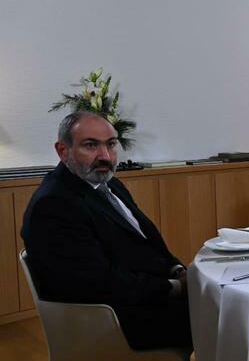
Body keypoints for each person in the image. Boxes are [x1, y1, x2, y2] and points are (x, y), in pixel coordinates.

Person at [21, 111, 192, 351]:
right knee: (220, 313)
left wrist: (177, 269)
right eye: (91, 145)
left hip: (142, 297)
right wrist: (175, 287)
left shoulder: (107, 182)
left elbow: (146, 241)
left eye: (111, 144)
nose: (105, 156)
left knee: (222, 302)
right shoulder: (54, 204)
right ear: (63, 150)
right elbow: (99, 283)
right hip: (113, 320)